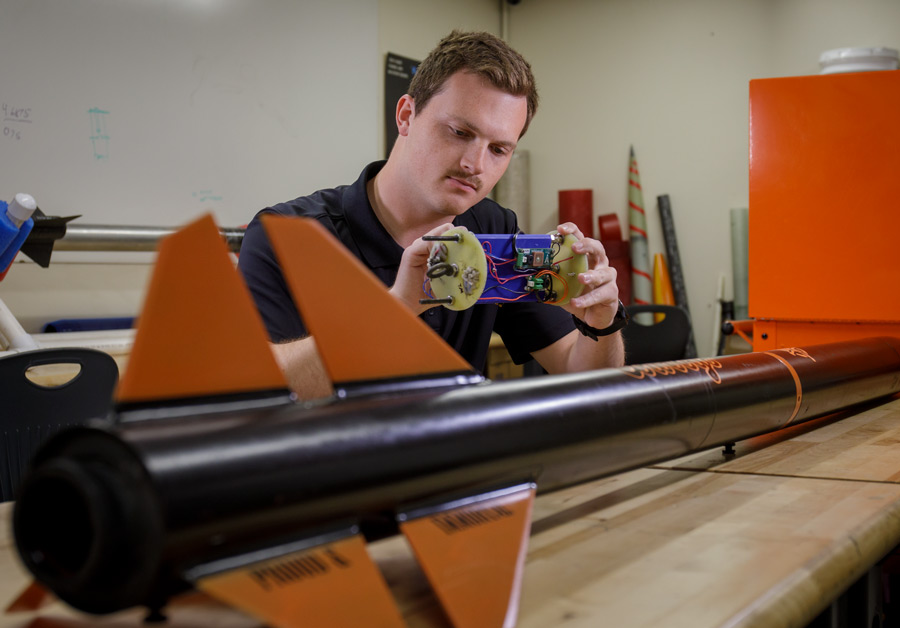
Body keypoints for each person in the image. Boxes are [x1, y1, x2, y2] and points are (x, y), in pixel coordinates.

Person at [238, 30, 625, 398]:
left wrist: (601, 324)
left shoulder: (494, 230)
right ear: (406, 115)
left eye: (498, 149)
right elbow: (263, 388)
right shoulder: (285, 235)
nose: (475, 164)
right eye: (459, 132)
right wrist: (400, 306)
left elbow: (583, 376)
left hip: (454, 462)